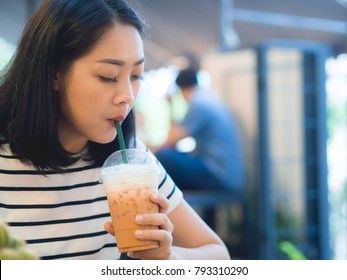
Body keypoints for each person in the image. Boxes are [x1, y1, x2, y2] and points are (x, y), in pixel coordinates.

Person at [0, 0, 230, 260]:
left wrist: (167, 259)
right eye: (108, 76)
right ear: (54, 73)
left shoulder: (130, 162)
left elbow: (218, 255)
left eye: (136, 75)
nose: (128, 96)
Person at [155, 68, 245, 191]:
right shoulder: (208, 97)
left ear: (180, 89)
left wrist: (170, 106)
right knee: (177, 157)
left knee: (163, 156)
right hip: (228, 173)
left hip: (219, 173)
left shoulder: (199, 104)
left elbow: (170, 142)